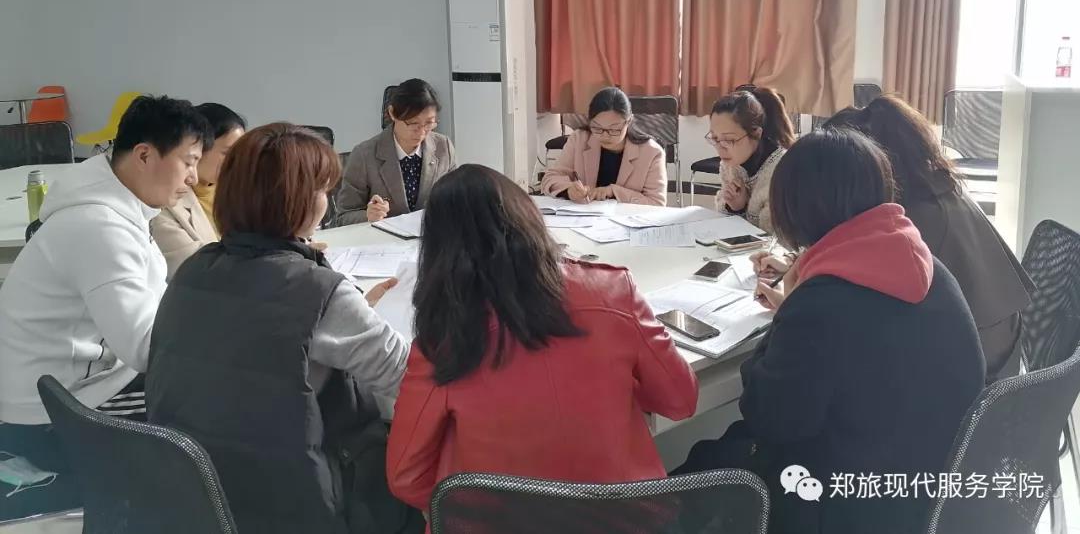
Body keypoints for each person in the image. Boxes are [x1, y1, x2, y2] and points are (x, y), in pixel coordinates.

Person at [678, 129, 984, 534]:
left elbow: (770, 417)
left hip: (846, 502)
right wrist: (799, 300)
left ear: (795, 209)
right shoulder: (924, 264)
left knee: (692, 471)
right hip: (929, 488)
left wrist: (791, 311)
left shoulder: (821, 302)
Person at [147, 123, 416, 534]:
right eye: (322, 190)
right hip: (296, 502)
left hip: (195, 493)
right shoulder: (319, 293)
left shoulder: (193, 270)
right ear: (299, 202)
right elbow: (412, 380)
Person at [387, 165, 698, 516]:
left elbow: (406, 477)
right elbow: (680, 399)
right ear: (527, 217)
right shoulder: (613, 291)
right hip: (623, 517)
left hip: (499, 521)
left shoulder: (442, 339)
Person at [0, 96, 211, 462]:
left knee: (213, 386)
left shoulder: (119, 209)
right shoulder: (100, 228)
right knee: (212, 404)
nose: (194, 178)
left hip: (74, 386)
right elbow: (147, 349)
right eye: (189, 162)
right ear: (144, 155)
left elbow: (157, 307)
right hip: (50, 415)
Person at [826, 95, 1034, 381]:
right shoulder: (940, 187)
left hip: (975, 373)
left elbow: (868, 312)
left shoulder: (912, 220)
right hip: (1002, 352)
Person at [335, 79, 456, 225]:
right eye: (413, 123)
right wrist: (368, 215)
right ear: (392, 113)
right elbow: (343, 217)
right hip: (382, 238)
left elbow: (455, 201)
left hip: (432, 235)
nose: (422, 132)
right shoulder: (364, 155)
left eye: (429, 123)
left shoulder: (443, 147)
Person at [150, 102, 246, 277]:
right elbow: (194, 268)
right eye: (227, 153)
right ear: (199, 147)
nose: (237, 162)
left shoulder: (240, 193)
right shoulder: (163, 201)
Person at [540, 87, 667, 205]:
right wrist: (568, 190)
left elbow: (657, 203)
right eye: (597, 128)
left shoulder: (651, 153)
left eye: (614, 129)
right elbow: (550, 178)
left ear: (629, 122)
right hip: (584, 218)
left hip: (628, 220)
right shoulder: (579, 140)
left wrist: (614, 192)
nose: (605, 136)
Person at [708, 86, 795, 233]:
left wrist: (742, 210)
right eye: (715, 138)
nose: (720, 148)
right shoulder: (729, 164)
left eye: (729, 140)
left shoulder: (782, 171)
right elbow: (723, 216)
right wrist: (735, 207)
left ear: (756, 133)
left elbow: (774, 238)